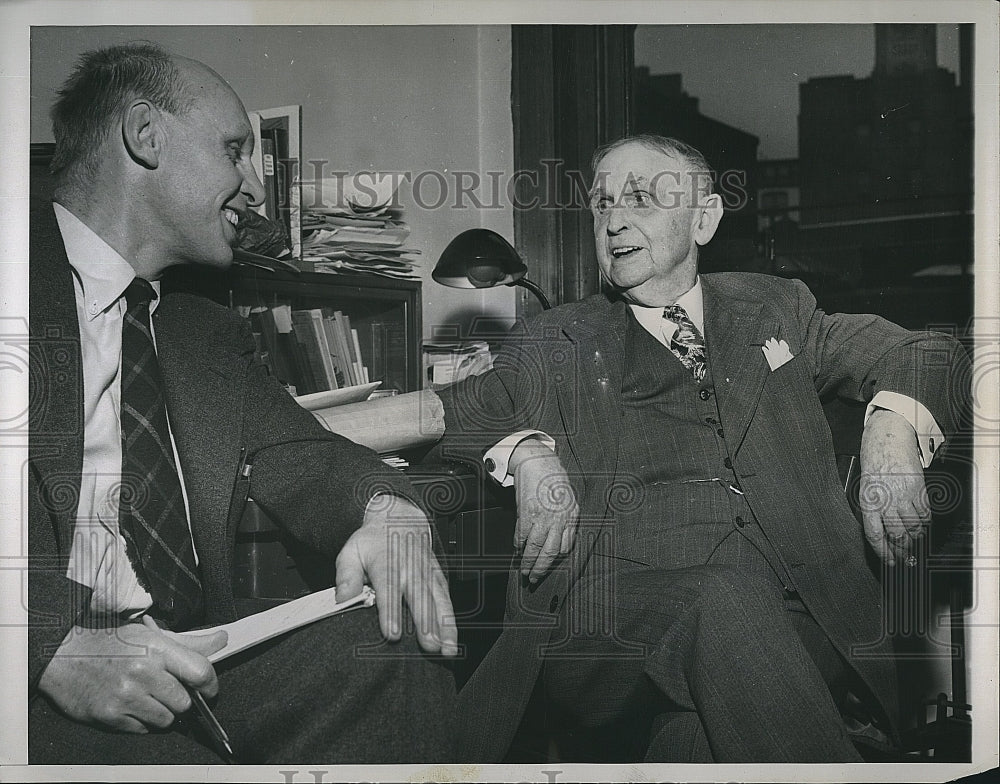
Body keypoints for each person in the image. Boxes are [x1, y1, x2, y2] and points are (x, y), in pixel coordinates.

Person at [437, 133, 969, 762]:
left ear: (705, 217)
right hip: (609, 632)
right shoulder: (560, 337)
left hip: (799, 620)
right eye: (602, 204)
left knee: (691, 742)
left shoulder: (774, 309)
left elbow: (926, 353)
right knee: (717, 596)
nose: (615, 220)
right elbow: (451, 412)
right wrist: (527, 451)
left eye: (641, 198)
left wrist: (890, 430)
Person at [28, 43, 457, 765]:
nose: (254, 186)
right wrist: (48, 645)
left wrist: (391, 508)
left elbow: (307, 457)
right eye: (235, 150)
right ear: (145, 135)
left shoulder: (200, 325)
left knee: (395, 646)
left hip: (193, 664)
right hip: (34, 686)